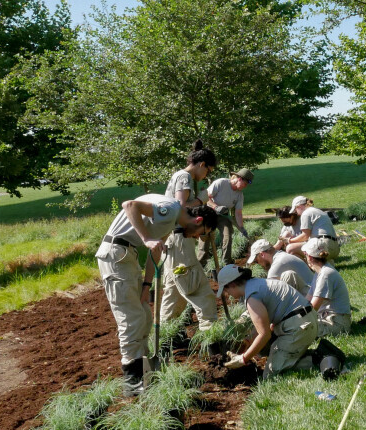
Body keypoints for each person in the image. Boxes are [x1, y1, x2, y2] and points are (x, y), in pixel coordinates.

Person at [95, 195, 218, 394]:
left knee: (144, 316)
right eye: (200, 234)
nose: (196, 238)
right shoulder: (170, 209)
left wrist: (147, 284)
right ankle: (132, 379)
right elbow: (130, 204)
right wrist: (146, 238)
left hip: (127, 256)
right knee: (132, 319)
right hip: (116, 256)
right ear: (198, 221)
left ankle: (145, 371)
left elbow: (155, 253)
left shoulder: (171, 221)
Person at [217, 264, 318, 379]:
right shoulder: (258, 284)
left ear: (232, 284)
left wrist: (243, 359)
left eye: (225, 289)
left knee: (270, 375)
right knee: (267, 351)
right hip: (306, 320)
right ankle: (305, 356)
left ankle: (320, 360)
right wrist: (247, 341)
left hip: (299, 328)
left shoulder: (252, 297)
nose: (226, 293)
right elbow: (264, 324)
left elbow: (264, 334)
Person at [161, 140, 217, 327]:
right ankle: (210, 331)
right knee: (198, 288)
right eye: (208, 170)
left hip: (173, 238)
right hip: (180, 238)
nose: (205, 175)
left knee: (174, 290)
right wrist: (201, 200)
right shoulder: (184, 177)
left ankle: (166, 334)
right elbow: (180, 206)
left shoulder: (181, 176)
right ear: (202, 165)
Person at [199, 168, 254, 267]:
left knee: (227, 235)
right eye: (245, 184)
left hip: (223, 215)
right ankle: (201, 263)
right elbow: (205, 198)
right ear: (239, 179)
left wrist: (241, 228)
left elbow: (238, 212)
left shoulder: (239, 194)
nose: (245, 187)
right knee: (205, 238)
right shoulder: (221, 183)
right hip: (208, 212)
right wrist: (216, 207)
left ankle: (226, 263)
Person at [303, 237, 352, 337]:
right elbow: (307, 301)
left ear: (310, 257)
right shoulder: (320, 272)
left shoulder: (325, 274)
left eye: (305, 255)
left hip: (337, 323)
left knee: (296, 331)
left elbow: (312, 308)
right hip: (328, 318)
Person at [248, 238, 312, 296]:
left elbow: (269, 293)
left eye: (256, 261)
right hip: (310, 292)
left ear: (262, 254)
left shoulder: (278, 263)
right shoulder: (281, 256)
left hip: (310, 297)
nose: (258, 264)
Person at [285, 196, 341, 260]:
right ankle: (325, 263)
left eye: (295, 210)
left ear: (299, 206)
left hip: (324, 247)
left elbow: (305, 236)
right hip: (335, 249)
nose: (297, 213)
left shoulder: (305, 213)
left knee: (290, 248)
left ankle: (308, 268)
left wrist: (289, 240)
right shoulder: (318, 211)